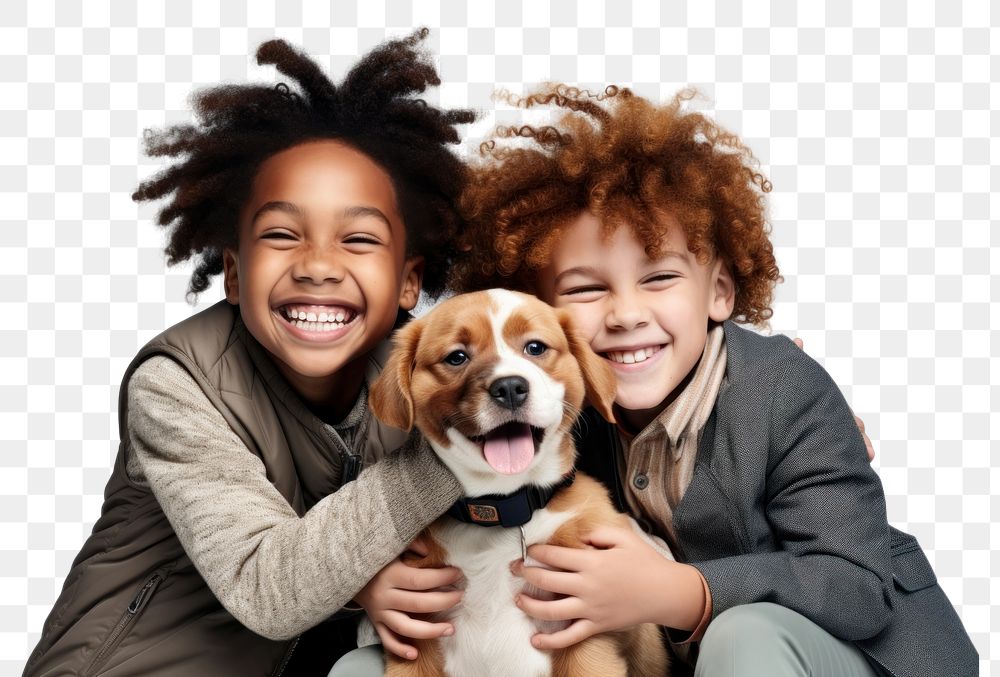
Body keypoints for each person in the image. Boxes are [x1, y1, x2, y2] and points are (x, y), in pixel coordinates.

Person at [449, 85, 977, 676]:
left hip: (863, 654)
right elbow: (441, 378)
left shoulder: (782, 389)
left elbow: (854, 585)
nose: (625, 314)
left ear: (720, 292)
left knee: (744, 634)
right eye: (585, 288)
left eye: (659, 278)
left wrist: (680, 592)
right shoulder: (551, 413)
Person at [24, 30, 474, 676]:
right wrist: (462, 442)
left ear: (409, 282)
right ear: (234, 273)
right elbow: (269, 585)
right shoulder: (176, 384)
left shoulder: (412, 371)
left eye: (359, 239)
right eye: (283, 234)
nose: (318, 265)